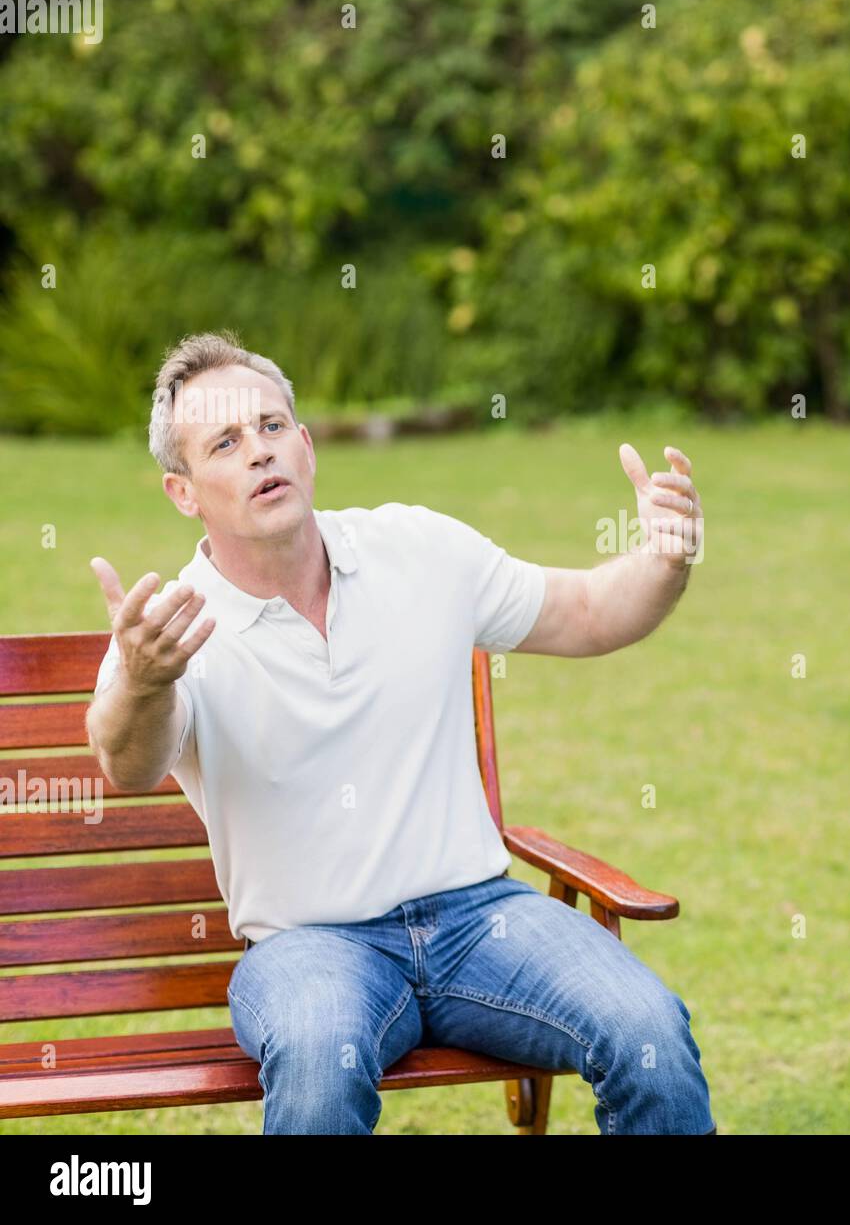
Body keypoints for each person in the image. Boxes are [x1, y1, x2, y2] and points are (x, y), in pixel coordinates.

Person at [85, 331, 714, 1135]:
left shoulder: (418, 549)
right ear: (183, 491)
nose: (259, 454)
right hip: (310, 946)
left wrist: (664, 559)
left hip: (480, 917)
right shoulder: (172, 629)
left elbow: (590, 612)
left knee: (649, 1029)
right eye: (226, 443)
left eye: (273, 428)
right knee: (319, 1066)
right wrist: (143, 677)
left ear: (307, 447)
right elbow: (127, 761)